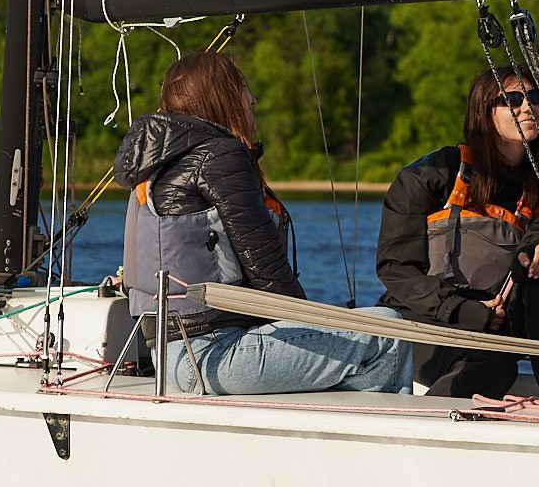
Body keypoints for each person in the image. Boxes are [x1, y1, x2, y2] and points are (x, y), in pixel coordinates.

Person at [113, 52, 411, 396]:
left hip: (172, 357)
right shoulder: (219, 156)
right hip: (214, 354)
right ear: (220, 96)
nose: (252, 99)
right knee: (387, 330)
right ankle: (379, 443)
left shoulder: (160, 165)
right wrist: (326, 324)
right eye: (243, 88)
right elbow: (268, 272)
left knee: (352, 334)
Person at [376, 67, 539, 400]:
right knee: (495, 364)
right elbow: (395, 269)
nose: (528, 107)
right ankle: (424, 428)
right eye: (513, 99)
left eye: (534, 98)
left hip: (502, 318)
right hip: (428, 318)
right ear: (485, 112)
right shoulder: (430, 175)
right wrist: (461, 310)